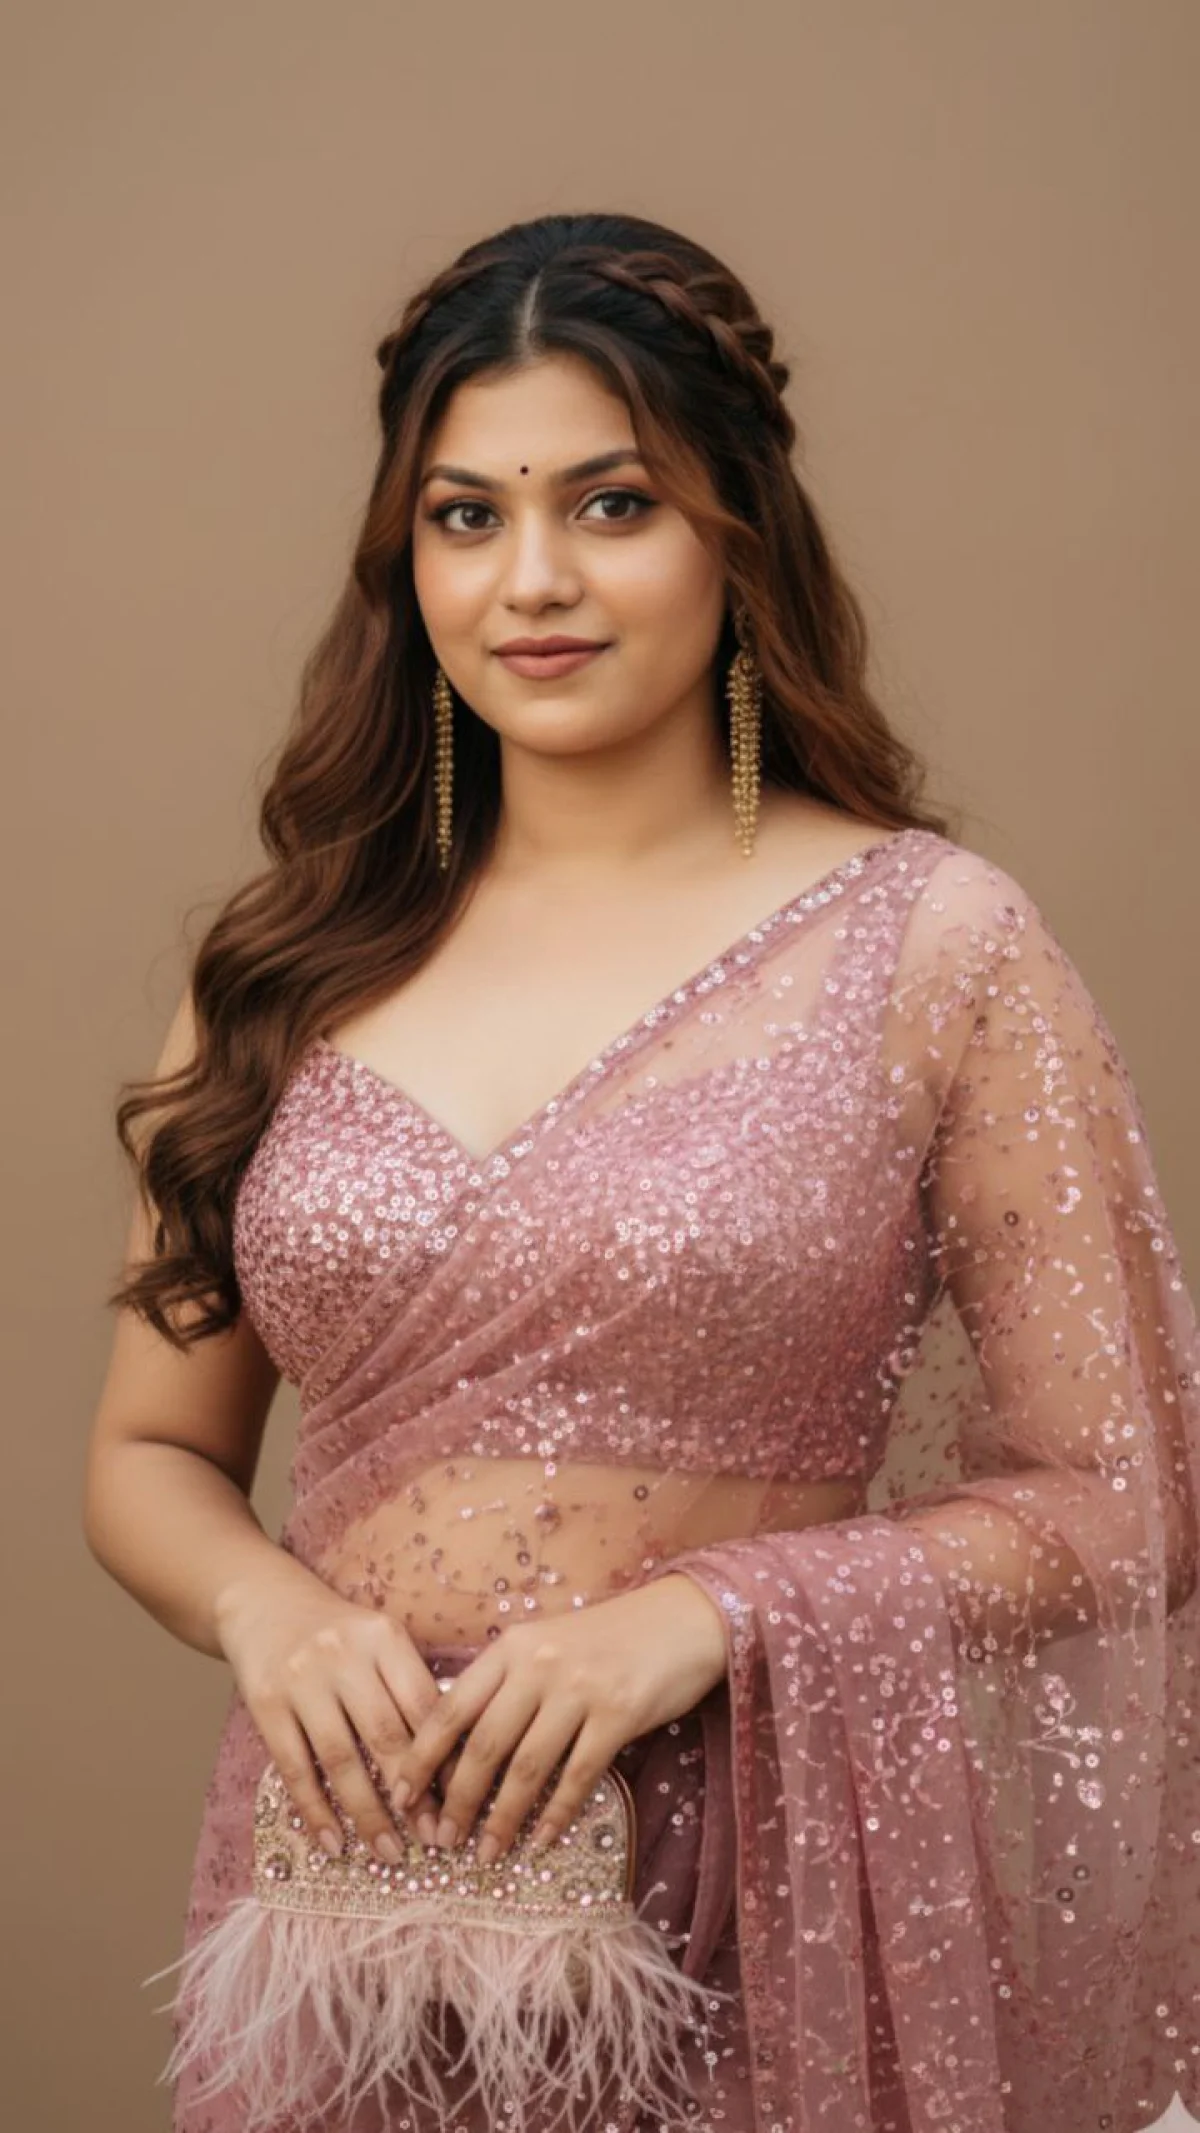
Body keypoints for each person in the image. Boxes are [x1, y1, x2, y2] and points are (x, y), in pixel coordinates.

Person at [83, 210, 1200, 2133]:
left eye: (612, 506)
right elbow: (150, 1454)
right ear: (406, 558)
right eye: (466, 516)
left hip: (763, 1895)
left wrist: (717, 1619)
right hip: (356, 1895)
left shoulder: (930, 944)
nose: (532, 580)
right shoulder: (282, 966)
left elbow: (1128, 1501)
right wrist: (273, 1613)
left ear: (736, 534)